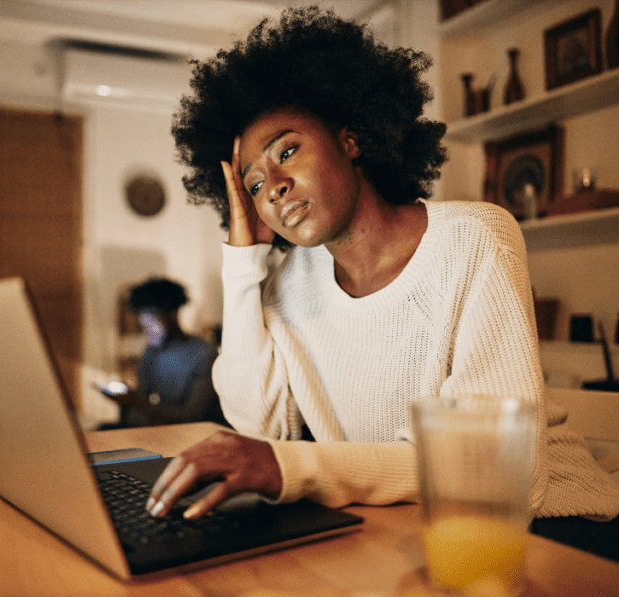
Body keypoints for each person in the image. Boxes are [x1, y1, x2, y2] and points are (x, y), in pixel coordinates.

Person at [145, 6, 619, 560]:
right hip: (402, 523)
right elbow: (258, 425)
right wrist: (242, 260)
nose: (271, 187)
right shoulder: (285, 283)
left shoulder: (475, 239)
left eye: (287, 152)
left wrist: (294, 467)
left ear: (350, 140)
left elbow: (500, 472)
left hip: (553, 527)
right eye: (252, 185)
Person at [103, 278, 226, 428]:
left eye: (151, 325)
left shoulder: (204, 354)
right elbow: (142, 399)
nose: (148, 333)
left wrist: (136, 402)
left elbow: (192, 416)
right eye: (144, 326)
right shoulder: (151, 352)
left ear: (172, 315)